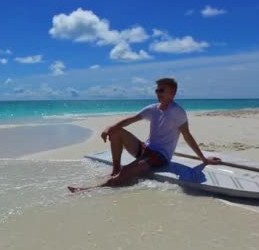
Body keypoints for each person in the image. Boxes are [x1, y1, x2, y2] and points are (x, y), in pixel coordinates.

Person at [68, 78, 221, 193]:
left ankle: (90, 190)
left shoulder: (177, 112)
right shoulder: (152, 109)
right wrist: (109, 127)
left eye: (162, 90)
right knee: (116, 132)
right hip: (145, 149)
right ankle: (115, 169)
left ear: (172, 94)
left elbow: (187, 136)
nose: (157, 93)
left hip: (159, 157)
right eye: (157, 90)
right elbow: (130, 120)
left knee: (125, 173)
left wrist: (203, 160)